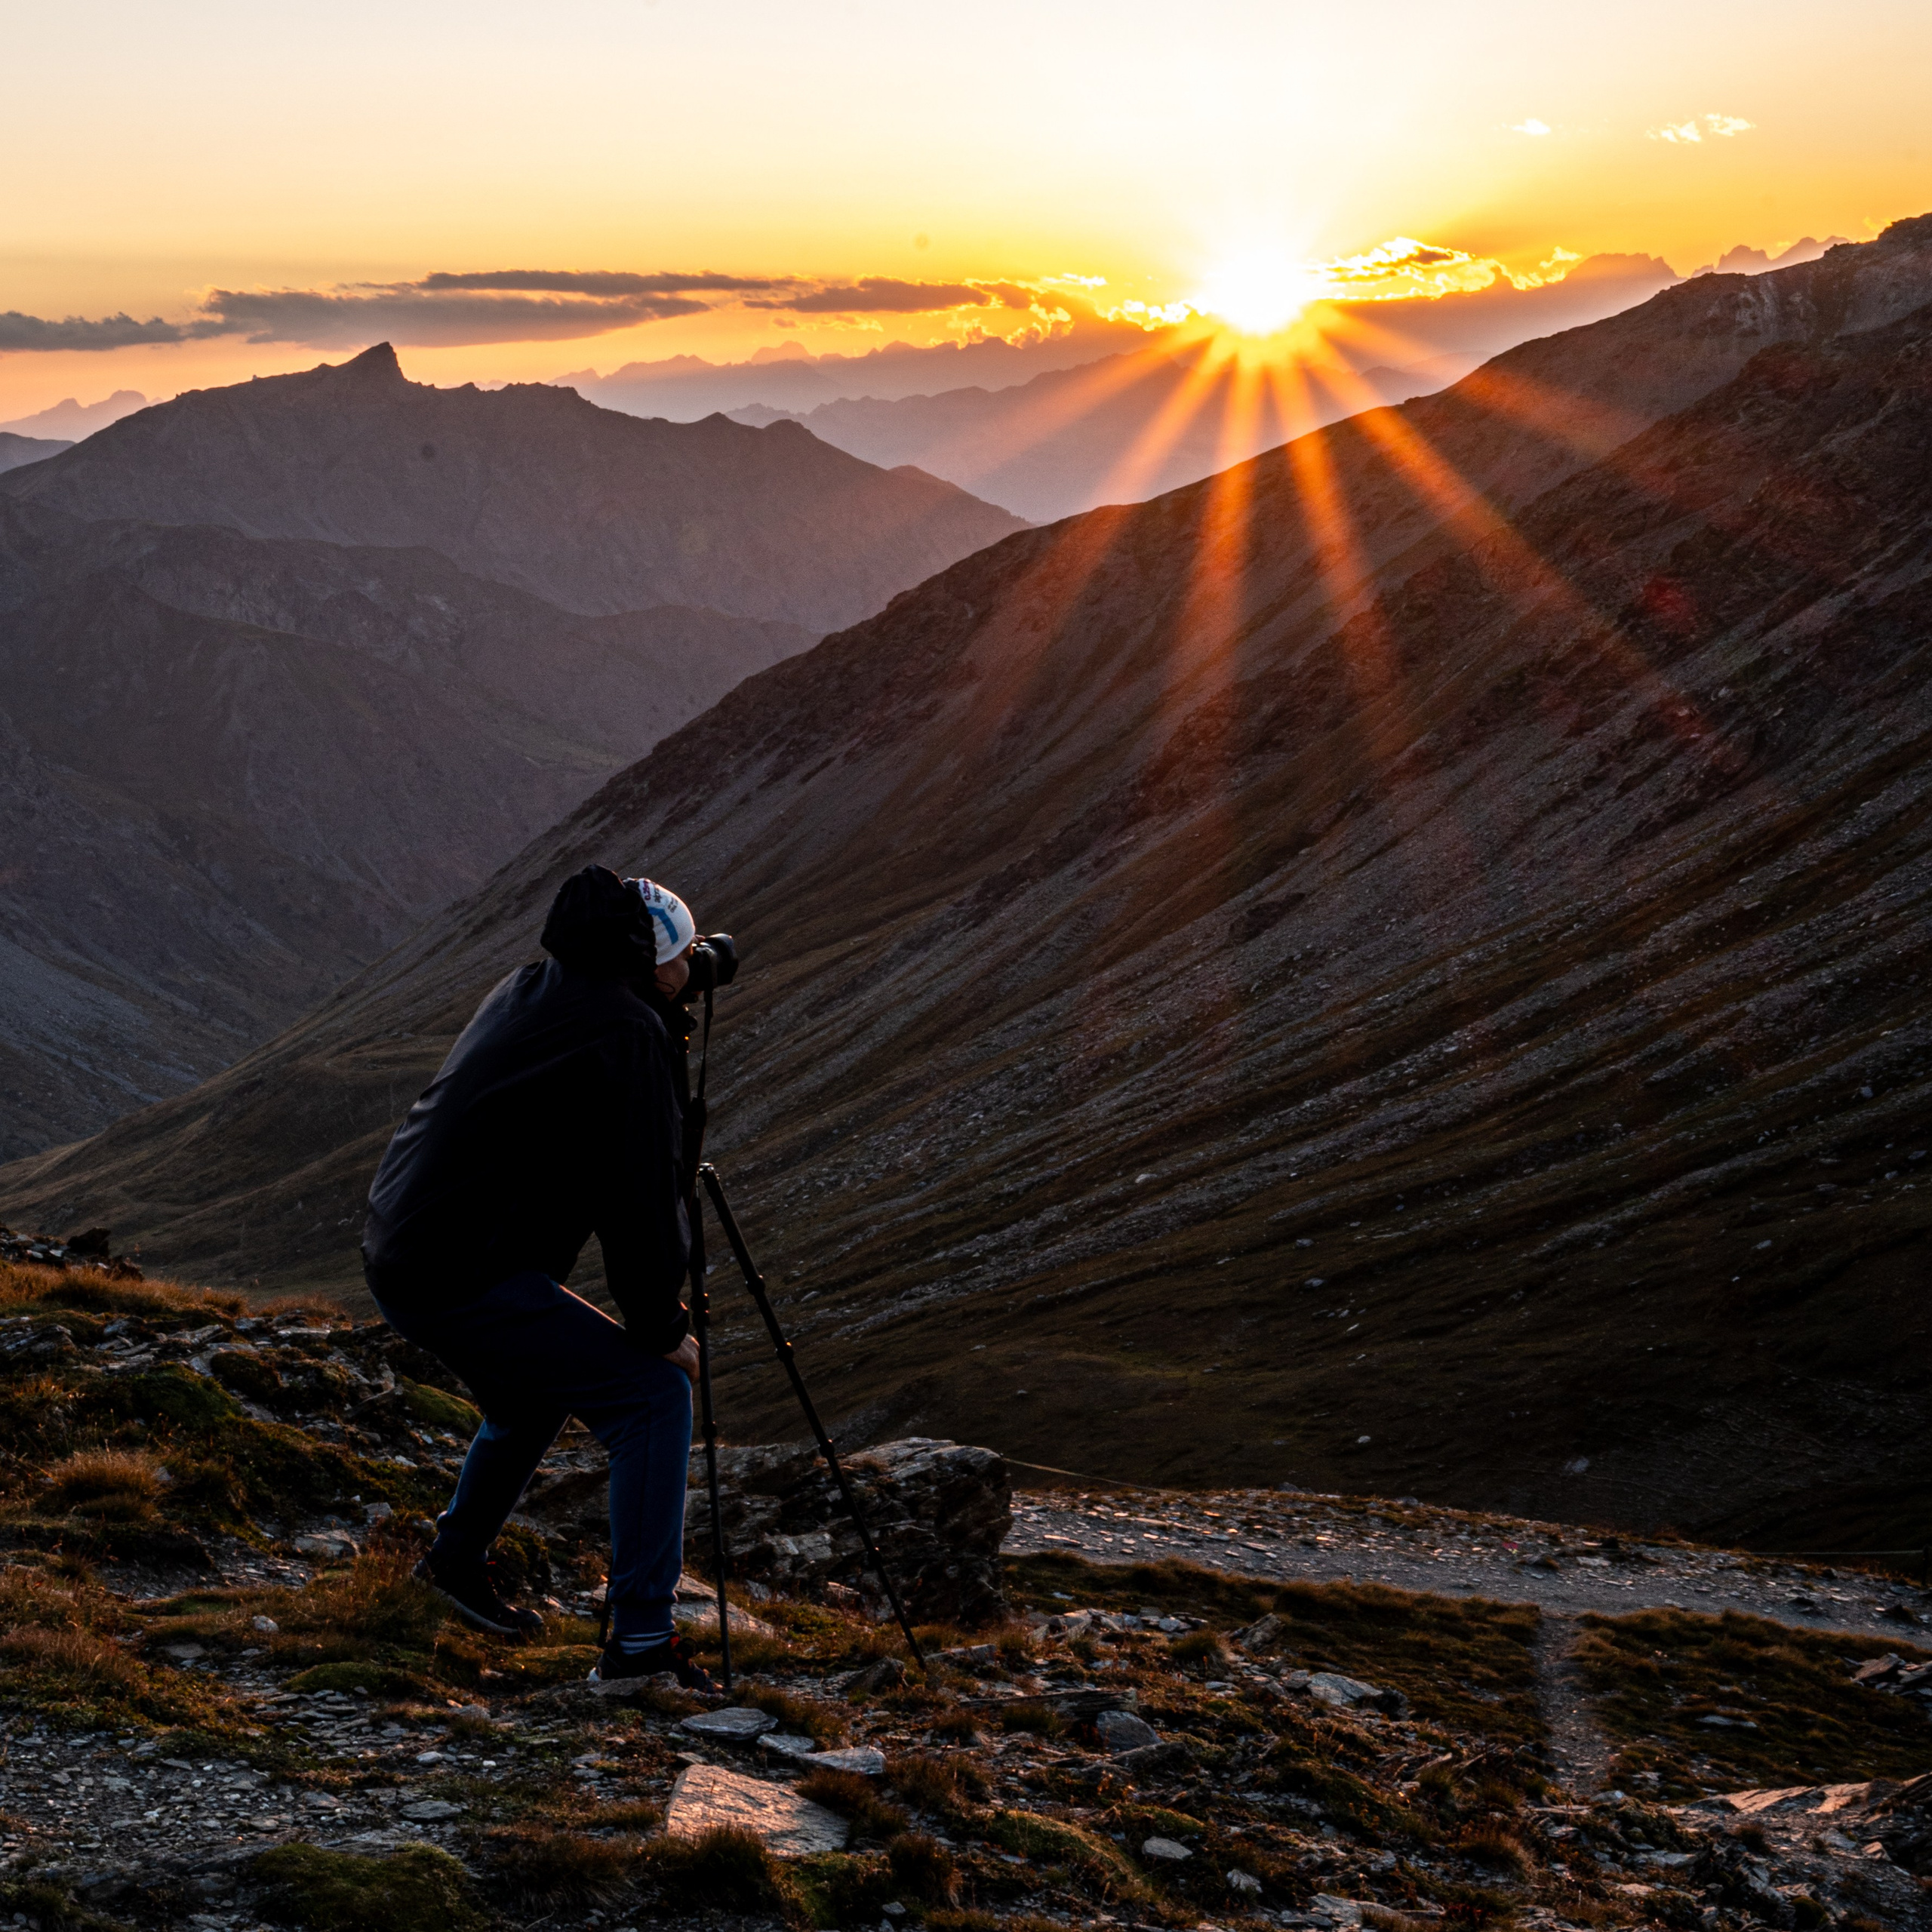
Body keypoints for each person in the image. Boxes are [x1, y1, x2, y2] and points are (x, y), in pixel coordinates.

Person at [361, 863, 717, 1689]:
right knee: (653, 1396)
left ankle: (453, 1564)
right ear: (650, 959)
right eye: (685, 954)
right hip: (462, 1269)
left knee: (531, 1396)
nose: (693, 967)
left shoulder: (533, 985)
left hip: (406, 1247)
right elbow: (638, 1198)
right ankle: (640, 1646)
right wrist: (660, 1326)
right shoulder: (628, 1031)